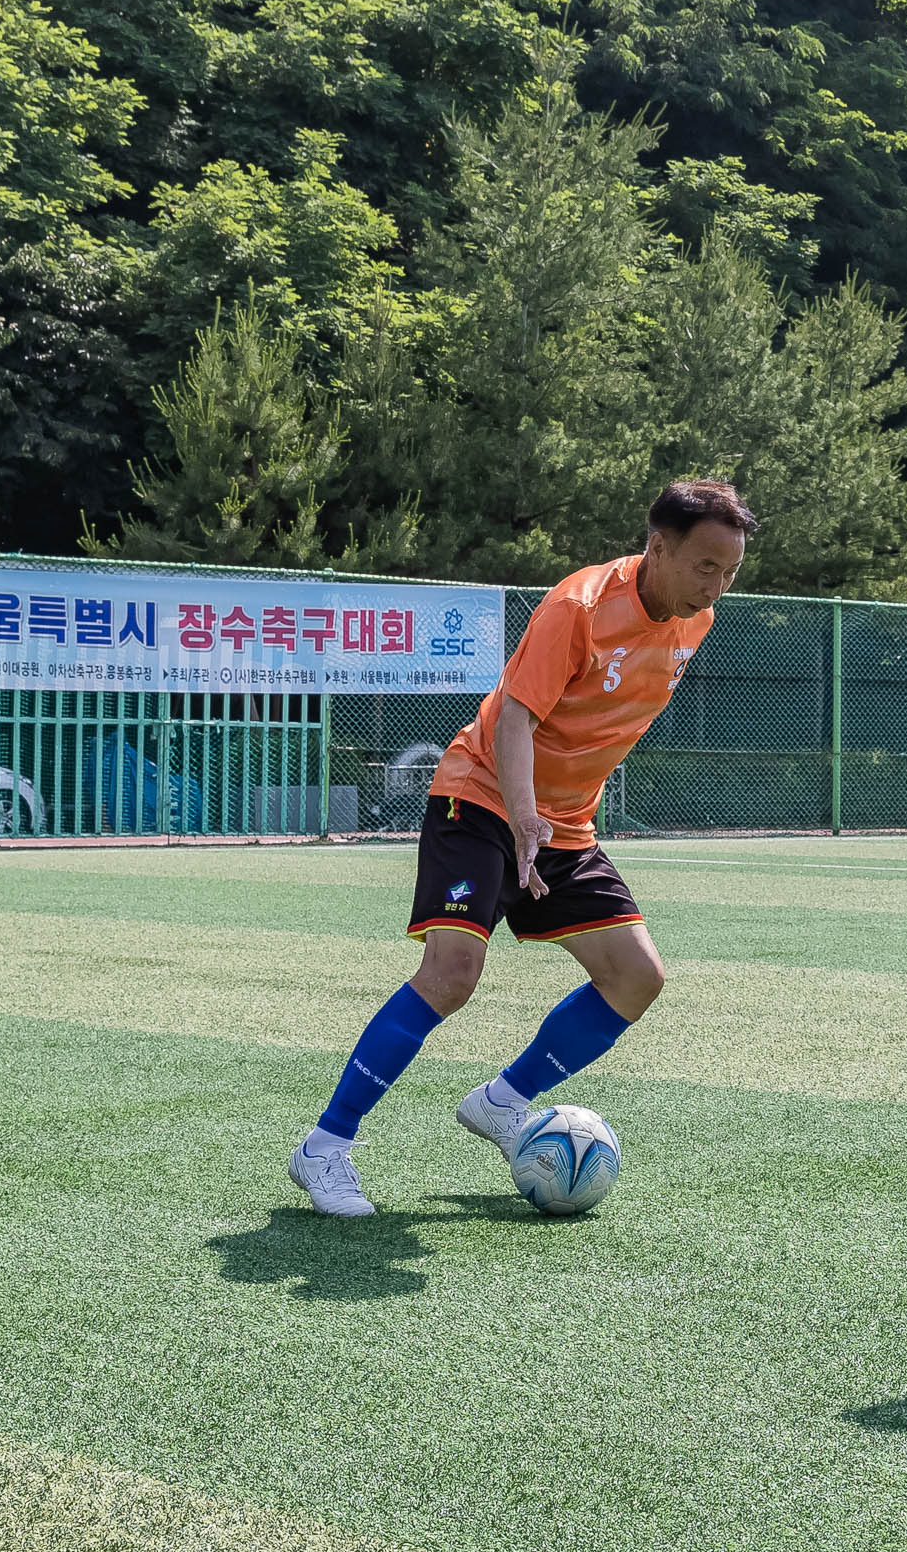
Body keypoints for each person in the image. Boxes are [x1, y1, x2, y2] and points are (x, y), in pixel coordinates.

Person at [288, 479, 754, 1216]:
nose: (717, 584)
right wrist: (525, 817)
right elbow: (514, 717)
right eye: (706, 566)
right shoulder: (580, 607)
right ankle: (325, 1147)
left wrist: (552, 818)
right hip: (479, 800)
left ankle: (502, 1101)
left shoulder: (695, 621)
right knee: (451, 973)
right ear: (658, 547)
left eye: (730, 570)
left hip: (565, 825)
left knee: (637, 976)